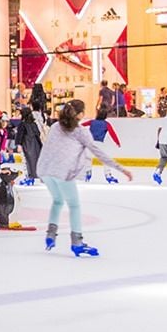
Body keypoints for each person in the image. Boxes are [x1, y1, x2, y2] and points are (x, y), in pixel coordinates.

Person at [37, 101, 131, 255]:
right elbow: (97, 152)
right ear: (80, 114)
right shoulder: (80, 131)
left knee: (58, 201)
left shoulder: (55, 127)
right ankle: (77, 241)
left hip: (45, 171)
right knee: (74, 206)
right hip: (63, 173)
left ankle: (51, 235)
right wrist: (121, 169)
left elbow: (48, 148)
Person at [85, 109, 122, 183]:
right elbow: (112, 133)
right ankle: (108, 175)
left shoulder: (92, 122)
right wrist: (117, 142)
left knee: (88, 158)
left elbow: (82, 125)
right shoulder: (106, 124)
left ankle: (88, 173)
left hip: (90, 143)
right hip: (100, 144)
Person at [16, 107, 44, 185]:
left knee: (29, 161)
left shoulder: (22, 124)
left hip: (27, 144)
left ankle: (31, 177)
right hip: (36, 144)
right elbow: (38, 134)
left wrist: (19, 145)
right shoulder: (34, 124)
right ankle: (37, 176)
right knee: (36, 160)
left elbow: (19, 135)